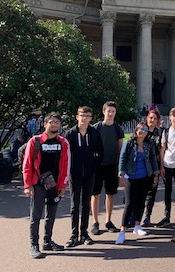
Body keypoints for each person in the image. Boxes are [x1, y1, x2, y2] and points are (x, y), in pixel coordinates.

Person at [23, 112, 71, 259]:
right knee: (36, 215)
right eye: (52, 122)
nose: (55, 124)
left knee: (51, 214)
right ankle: (34, 245)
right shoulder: (35, 141)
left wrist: (63, 184)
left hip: (54, 185)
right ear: (45, 124)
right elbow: (27, 164)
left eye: (57, 122)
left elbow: (65, 165)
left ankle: (47, 241)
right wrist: (28, 185)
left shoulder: (63, 142)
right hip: (37, 183)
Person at [64, 106, 104, 247]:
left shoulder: (94, 133)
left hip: (89, 174)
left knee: (86, 203)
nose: (85, 118)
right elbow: (65, 155)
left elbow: (100, 152)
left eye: (88, 115)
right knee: (74, 205)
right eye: (82, 115)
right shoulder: (70, 134)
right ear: (77, 116)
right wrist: (68, 171)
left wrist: (94, 167)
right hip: (74, 175)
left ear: (91, 118)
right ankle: (74, 235)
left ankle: (84, 233)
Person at [116, 122, 160, 244]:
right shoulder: (129, 143)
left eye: (145, 130)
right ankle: (122, 231)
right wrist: (121, 174)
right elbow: (122, 158)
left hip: (145, 176)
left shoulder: (149, 144)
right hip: (131, 177)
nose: (143, 131)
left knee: (141, 202)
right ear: (136, 131)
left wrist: (156, 174)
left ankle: (137, 226)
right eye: (141, 129)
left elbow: (152, 159)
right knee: (129, 203)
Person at [91, 101, 125, 235]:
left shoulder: (118, 129)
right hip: (98, 166)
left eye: (113, 111)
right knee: (95, 194)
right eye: (108, 111)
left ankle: (108, 220)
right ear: (103, 111)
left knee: (110, 194)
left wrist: (120, 168)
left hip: (112, 166)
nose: (110, 114)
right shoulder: (96, 128)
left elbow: (120, 148)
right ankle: (95, 221)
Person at [142, 108, 162, 227]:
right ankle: (136, 215)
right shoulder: (141, 130)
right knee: (140, 192)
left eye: (155, 118)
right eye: (150, 118)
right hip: (141, 165)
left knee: (151, 192)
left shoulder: (160, 133)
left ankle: (147, 216)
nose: (152, 120)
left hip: (155, 166)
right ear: (147, 118)